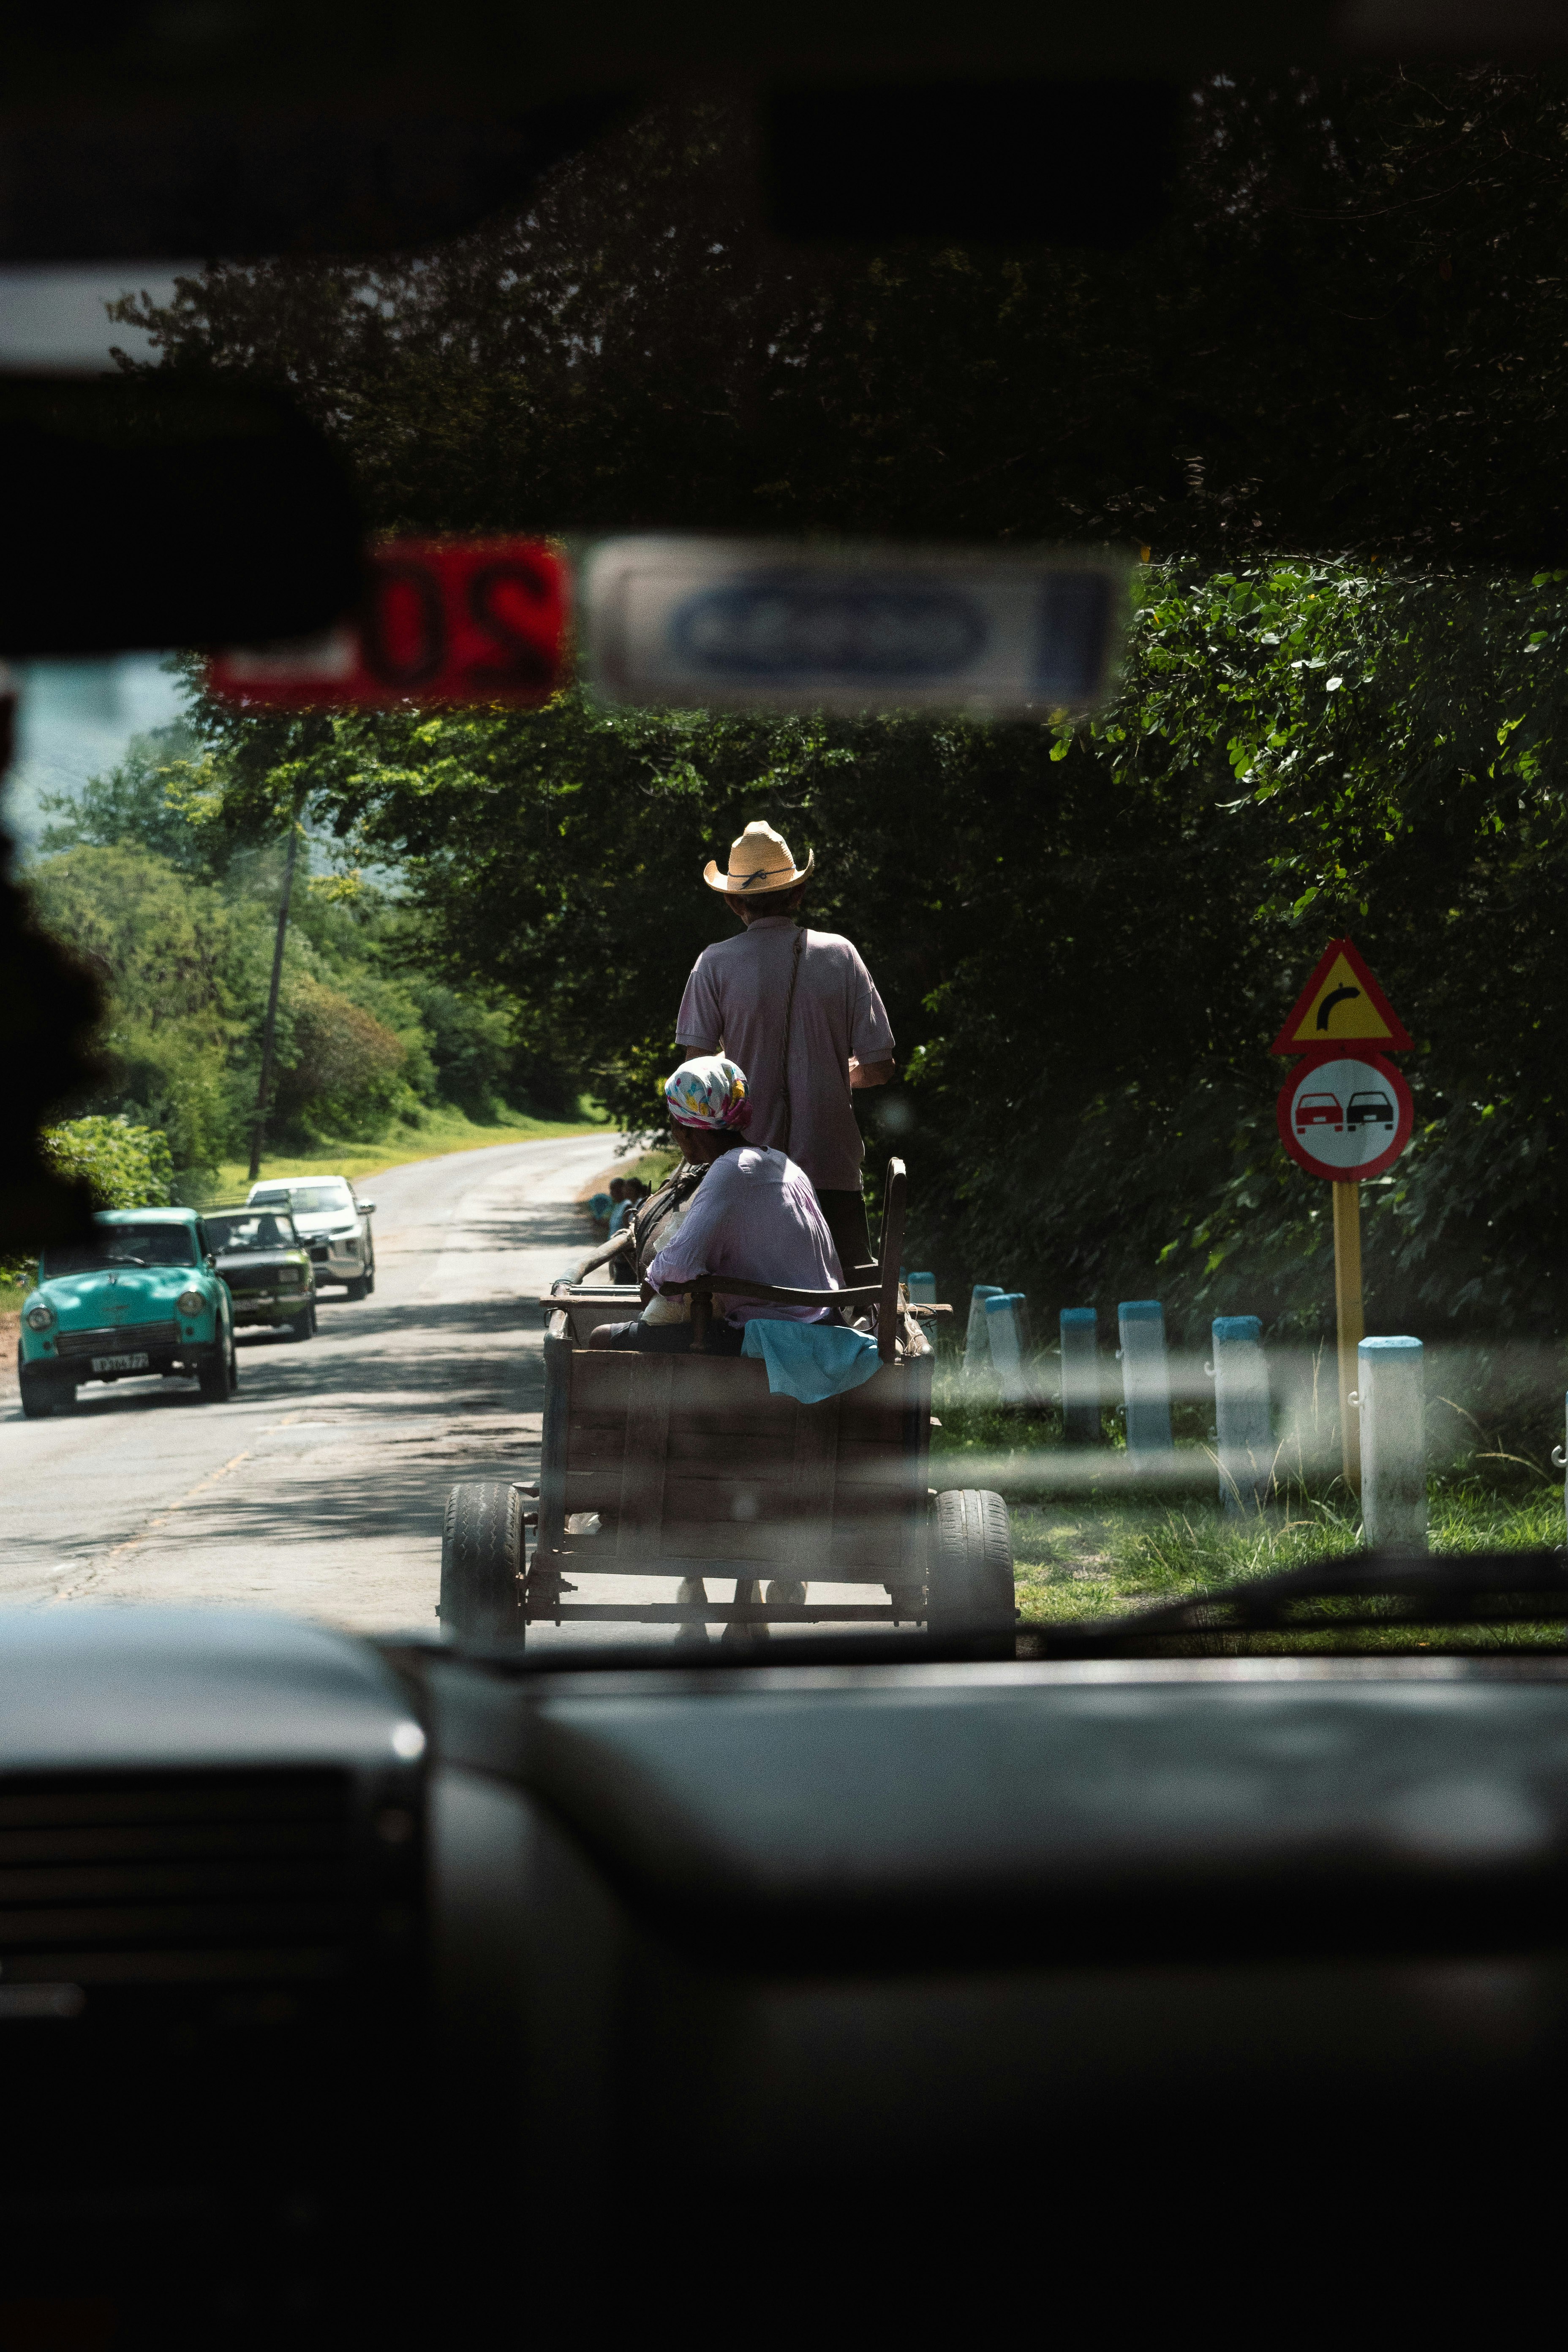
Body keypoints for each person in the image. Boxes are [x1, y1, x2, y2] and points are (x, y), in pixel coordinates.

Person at [675, 819, 894, 1277]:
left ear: (733, 902)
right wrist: (839, 1074)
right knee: (855, 1289)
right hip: (832, 1168)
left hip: (746, 1172)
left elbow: (697, 1077)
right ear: (797, 894)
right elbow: (879, 1067)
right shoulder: (841, 955)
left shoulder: (714, 963)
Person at [588, 1054, 842, 1354]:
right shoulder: (780, 1162)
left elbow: (680, 1265)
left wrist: (650, 1284)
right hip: (823, 1319)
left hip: (773, 1332)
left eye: (673, 1123)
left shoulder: (729, 1171)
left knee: (601, 1338)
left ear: (685, 1129)